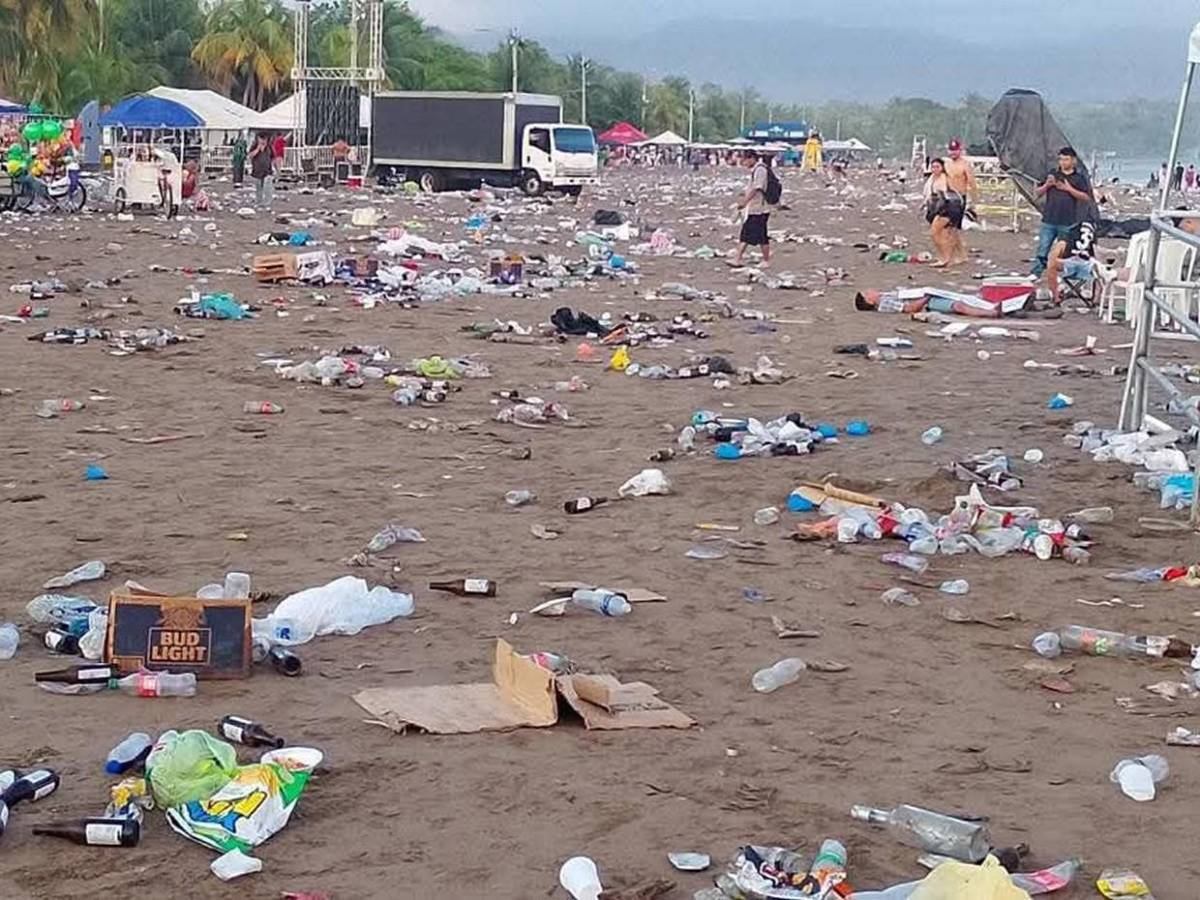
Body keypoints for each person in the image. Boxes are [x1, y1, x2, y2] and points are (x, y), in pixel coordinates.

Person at [1032, 146, 1091, 276]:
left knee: (1065, 252)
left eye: (1066, 159)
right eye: (1061, 159)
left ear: (1073, 161)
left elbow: (1086, 197)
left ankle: (1064, 275)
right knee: (1043, 248)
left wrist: (1068, 189)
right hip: (1049, 219)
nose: (1063, 162)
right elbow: (1037, 193)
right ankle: (1036, 273)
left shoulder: (1079, 178)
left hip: (1068, 221)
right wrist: (1047, 185)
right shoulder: (1053, 174)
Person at [731, 152, 775, 267]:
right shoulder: (757, 169)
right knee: (757, 235)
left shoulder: (760, 170)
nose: (744, 163)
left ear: (751, 158)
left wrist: (745, 201)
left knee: (750, 234)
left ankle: (739, 259)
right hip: (757, 207)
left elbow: (757, 188)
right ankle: (763, 259)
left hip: (760, 208)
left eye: (745, 160)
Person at [923, 158, 966, 267]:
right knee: (949, 233)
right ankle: (959, 256)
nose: (935, 169)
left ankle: (944, 258)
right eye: (933, 167)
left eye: (937, 167)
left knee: (935, 232)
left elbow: (949, 194)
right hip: (941, 207)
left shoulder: (944, 178)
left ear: (942, 168)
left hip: (949, 207)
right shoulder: (932, 179)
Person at [1045, 218, 1097, 305]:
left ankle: (1056, 297)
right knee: (1100, 270)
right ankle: (1096, 299)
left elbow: (1054, 254)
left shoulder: (1067, 236)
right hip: (1087, 267)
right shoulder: (1092, 234)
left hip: (1069, 265)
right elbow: (1095, 253)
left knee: (1051, 265)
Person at [248, 132, 273, 209]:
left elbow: (273, 157)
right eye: (261, 139)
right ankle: (259, 202)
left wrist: (277, 168)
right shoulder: (254, 146)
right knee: (259, 188)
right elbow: (250, 156)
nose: (263, 141)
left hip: (267, 170)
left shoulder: (269, 147)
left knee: (267, 187)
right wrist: (258, 149)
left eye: (264, 139)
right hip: (257, 171)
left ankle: (267, 203)